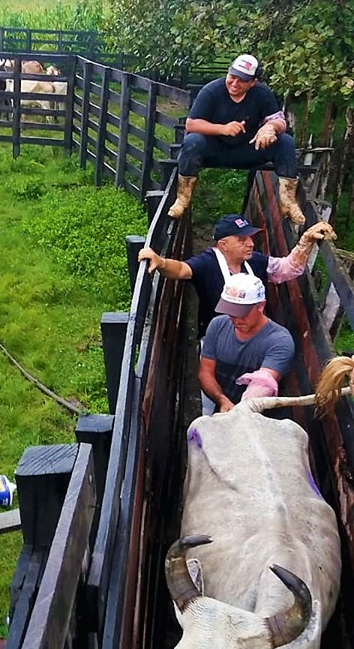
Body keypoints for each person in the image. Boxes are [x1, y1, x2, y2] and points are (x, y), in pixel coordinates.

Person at [138, 213, 335, 338]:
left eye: (250, 237)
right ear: (223, 245)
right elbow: (181, 269)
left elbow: (287, 268)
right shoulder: (207, 263)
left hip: (254, 335)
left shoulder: (254, 260)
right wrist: (161, 262)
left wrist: (306, 241)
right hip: (218, 339)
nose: (250, 243)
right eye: (242, 239)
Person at [168, 53, 305, 225]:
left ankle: (288, 202)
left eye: (242, 80)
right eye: (232, 77)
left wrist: (270, 128)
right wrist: (223, 129)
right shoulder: (211, 91)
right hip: (215, 149)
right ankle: (182, 198)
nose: (234, 83)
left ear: (253, 82)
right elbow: (191, 124)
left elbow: (278, 119)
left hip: (248, 148)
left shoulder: (263, 94)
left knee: (285, 141)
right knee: (192, 141)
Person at [199, 273, 295, 414]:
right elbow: (205, 372)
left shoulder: (280, 341)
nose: (236, 320)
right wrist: (221, 399)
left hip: (258, 417)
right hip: (223, 408)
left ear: (261, 306)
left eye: (242, 313)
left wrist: (241, 411)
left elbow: (263, 383)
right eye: (231, 312)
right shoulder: (217, 325)